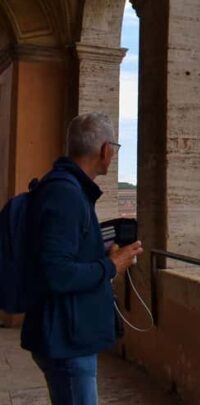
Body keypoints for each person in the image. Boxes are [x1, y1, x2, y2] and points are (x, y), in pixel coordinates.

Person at [21, 113, 143, 405]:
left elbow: (61, 255)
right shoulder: (67, 194)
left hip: (64, 332)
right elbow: (57, 272)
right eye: (113, 147)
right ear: (105, 150)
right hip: (67, 338)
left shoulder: (65, 188)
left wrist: (99, 254)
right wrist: (112, 265)